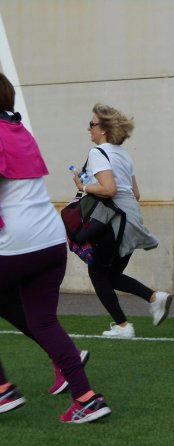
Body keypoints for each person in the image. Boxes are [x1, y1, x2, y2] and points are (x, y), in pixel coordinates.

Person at [0, 72, 111, 422]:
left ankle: (2, 391)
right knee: (43, 320)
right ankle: (87, 398)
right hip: (50, 240)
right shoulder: (19, 131)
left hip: (16, 242)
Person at [73, 103, 172, 338]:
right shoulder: (124, 154)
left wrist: (83, 186)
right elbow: (135, 193)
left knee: (98, 274)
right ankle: (155, 298)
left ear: (103, 129)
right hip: (131, 218)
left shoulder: (97, 153)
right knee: (112, 274)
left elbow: (108, 189)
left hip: (115, 221)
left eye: (92, 124)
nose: (89, 129)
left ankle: (123, 326)